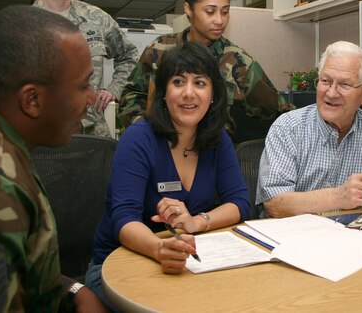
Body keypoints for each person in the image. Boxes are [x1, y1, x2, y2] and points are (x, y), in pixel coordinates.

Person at [0, 5, 107, 312]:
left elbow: (22, 266)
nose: (91, 99)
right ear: (32, 100)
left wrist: (72, 289)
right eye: (83, 85)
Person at [86, 41, 252, 308]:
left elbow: (241, 204)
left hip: (185, 262)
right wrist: (158, 248)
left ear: (213, 94)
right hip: (117, 266)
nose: (189, 93)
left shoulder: (217, 140)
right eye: (178, 82)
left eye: (199, 83)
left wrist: (197, 222)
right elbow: (123, 219)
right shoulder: (138, 138)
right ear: (164, 92)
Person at [257, 41, 362, 240]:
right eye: (325, 81)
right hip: (292, 240)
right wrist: (338, 197)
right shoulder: (288, 127)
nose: (330, 93)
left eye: (344, 84)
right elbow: (274, 203)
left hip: (353, 241)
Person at [117, 0, 292, 143]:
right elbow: (130, 96)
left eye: (225, 12)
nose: (219, 20)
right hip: (161, 155)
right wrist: (146, 133)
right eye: (210, 11)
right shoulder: (159, 50)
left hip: (212, 159)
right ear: (189, 9)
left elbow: (282, 113)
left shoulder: (239, 62)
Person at [33, 0, 139, 138]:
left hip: (92, 134)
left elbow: (130, 55)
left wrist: (114, 89)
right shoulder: (25, 27)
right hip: (45, 138)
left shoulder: (95, 18)